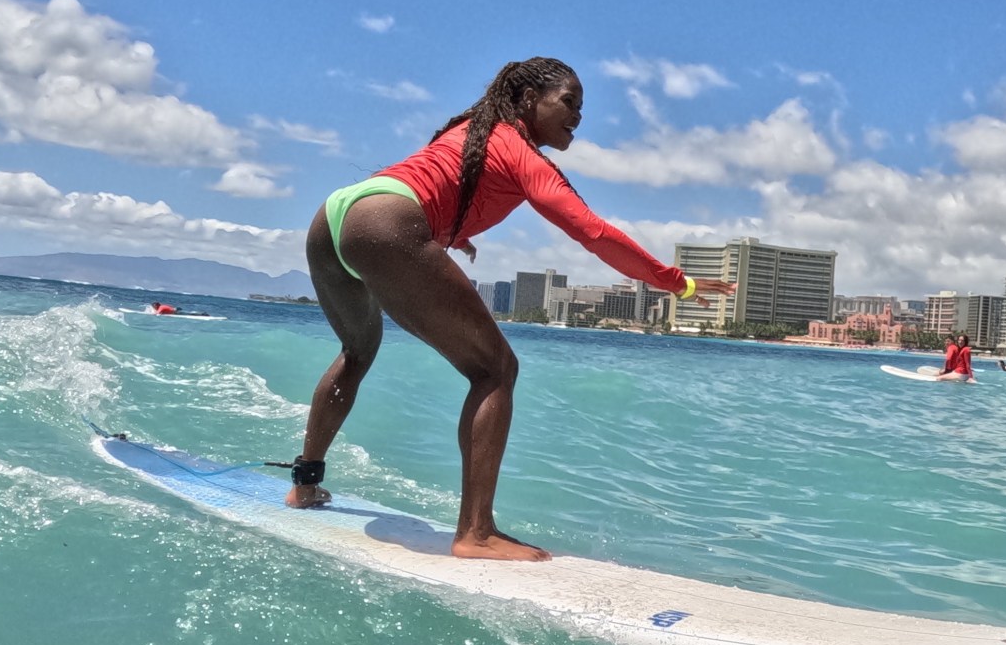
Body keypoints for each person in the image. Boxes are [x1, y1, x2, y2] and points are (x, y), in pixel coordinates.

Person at [286, 57, 731, 558]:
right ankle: (476, 532)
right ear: (526, 99)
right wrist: (680, 283)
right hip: (386, 223)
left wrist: (457, 234)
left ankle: (304, 484)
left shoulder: (469, 129)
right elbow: (593, 232)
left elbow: (438, 182)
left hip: (337, 215)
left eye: (582, 108)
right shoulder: (522, 153)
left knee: (357, 351)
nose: (577, 116)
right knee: (495, 369)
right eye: (568, 101)